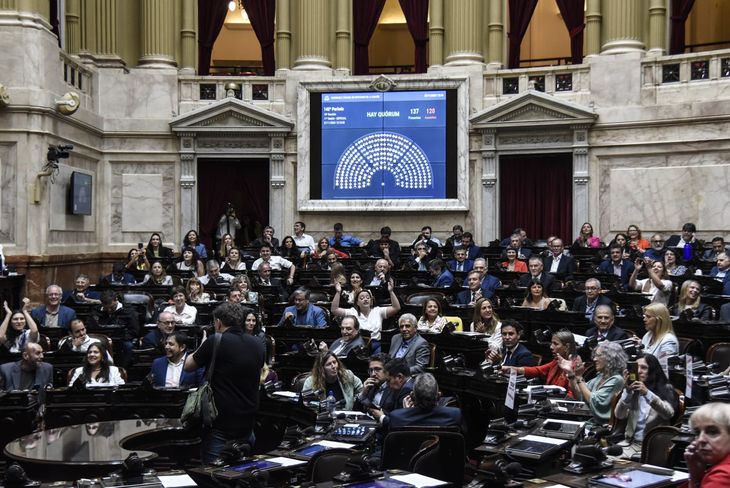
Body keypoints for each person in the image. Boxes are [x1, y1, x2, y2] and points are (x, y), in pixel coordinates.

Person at [185, 302, 264, 465]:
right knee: (241, 473)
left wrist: (203, 343)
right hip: (248, 424)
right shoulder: (258, 344)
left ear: (218, 322)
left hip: (221, 426)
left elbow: (188, 366)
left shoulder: (215, 340)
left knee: (214, 476)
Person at [614, 353, 676, 458]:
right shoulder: (632, 391)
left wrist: (647, 393)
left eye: (644, 368)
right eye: (636, 367)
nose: (639, 371)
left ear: (652, 371)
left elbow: (668, 413)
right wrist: (627, 392)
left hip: (650, 446)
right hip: (630, 444)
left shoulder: (665, 388)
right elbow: (619, 415)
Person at [560, 341, 626, 426]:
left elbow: (594, 400)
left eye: (599, 356)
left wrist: (579, 377)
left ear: (611, 358)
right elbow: (580, 395)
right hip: (590, 422)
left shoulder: (617, 379)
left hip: (601, 428)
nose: (594, 359)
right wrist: (571, 374)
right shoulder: (600, 377)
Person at [503, 329, 578, 398]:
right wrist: (511, 369)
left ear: (567, 347)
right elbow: (538, 370)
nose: (551, 347)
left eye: (555, 344)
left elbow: (572, 396)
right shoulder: (556, 361)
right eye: (551, 343)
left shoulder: (576, 366)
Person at [331, 279, 399, 353]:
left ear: (371, 301)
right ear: (357, 302)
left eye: (367, 297)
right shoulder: (352, 311)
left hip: (376, 343)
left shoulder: (378, 311)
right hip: (357, 344)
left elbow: (396, 308)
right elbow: (334, 310)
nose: (365, 299)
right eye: (362, 298)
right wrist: (338, 292)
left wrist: (391, 291)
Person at [386, 373, 462, 430]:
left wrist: (407, 411)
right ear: (439, 396)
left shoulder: (397, 417)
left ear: (412, 396)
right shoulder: (454, 415)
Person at [87, 290, 139, 367]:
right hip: (103, 339)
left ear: (116, 300)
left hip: (122, 339)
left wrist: (122, 337)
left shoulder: (128, 311)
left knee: (128, 346)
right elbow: (91, 327)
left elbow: (135, 330)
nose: (109, 310)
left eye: (112, 307)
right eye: (106, 308)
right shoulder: (96, 311)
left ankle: (122, 369)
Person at [684, 402, 730, 488]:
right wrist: (696, 476)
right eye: (697, 432)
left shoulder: (722, 477)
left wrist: (694, 480)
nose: (701, 439)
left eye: (712, 432)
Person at [368, 358, 415, 423]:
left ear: (399, 377)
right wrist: (381, 411)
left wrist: (381, 417)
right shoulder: (407, 386)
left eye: (388, 381)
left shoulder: (408, 391)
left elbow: (399, 423)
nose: (387, 385)